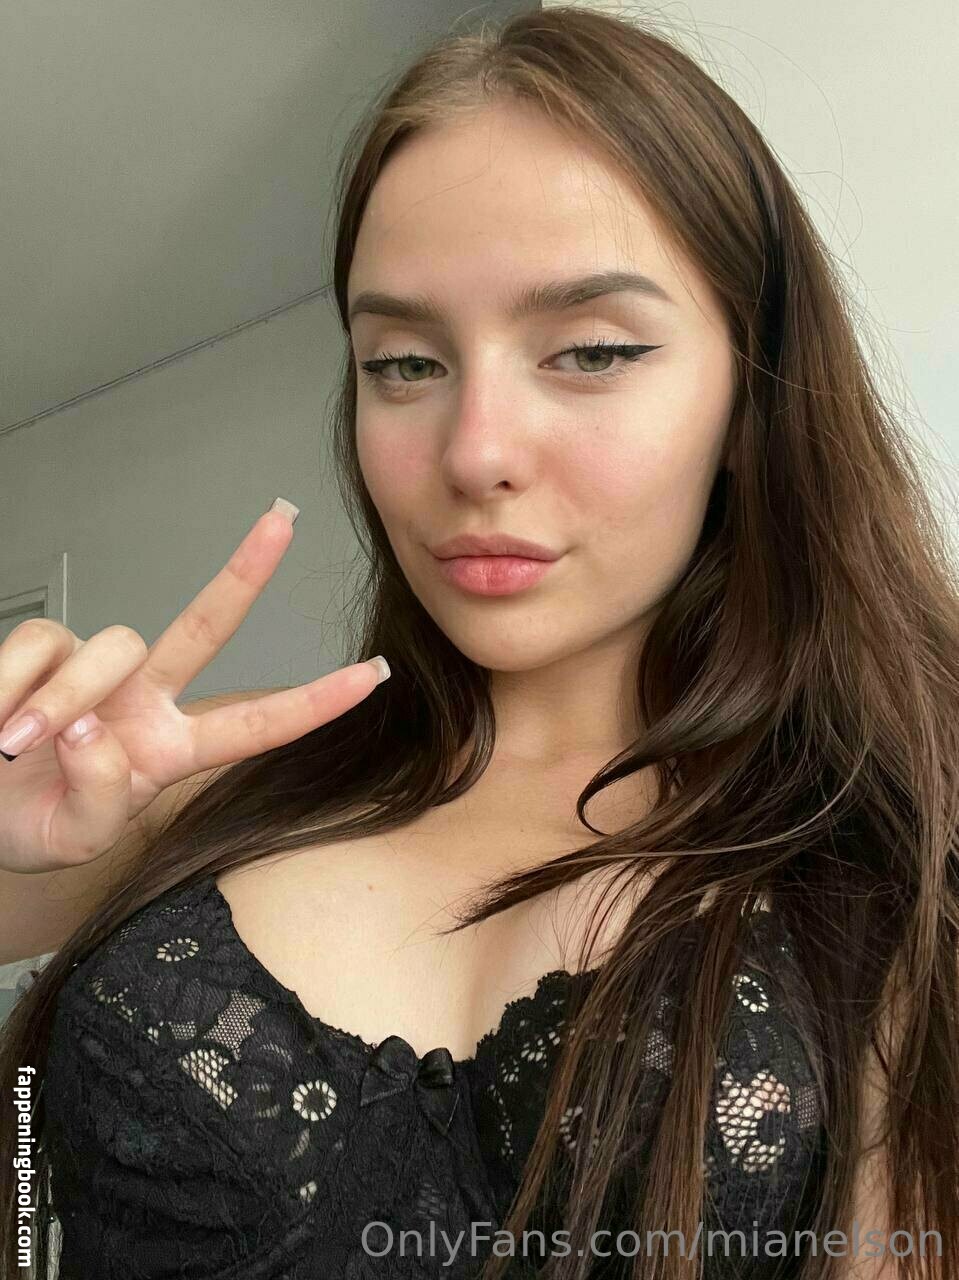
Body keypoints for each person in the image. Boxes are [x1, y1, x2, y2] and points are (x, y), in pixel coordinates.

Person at [1, 6, 957, 1278]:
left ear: (750, 393)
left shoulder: (908, 836)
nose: (474, 452)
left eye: (591, 351)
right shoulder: (197, 789)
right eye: (403, 364)